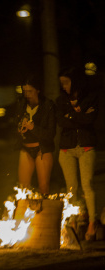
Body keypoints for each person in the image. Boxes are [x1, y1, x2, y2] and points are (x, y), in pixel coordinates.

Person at [56, 67, 98, 241]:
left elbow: (90, 120)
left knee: (87, 185)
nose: (64, 86)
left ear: (75, 82)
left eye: (66, 82)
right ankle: (73, 222)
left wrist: (70, 116)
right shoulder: (60, 101)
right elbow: (61, 121)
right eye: (62, 83)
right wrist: (77, 115)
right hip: (67, 149)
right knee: (71, 188)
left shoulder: (90, 98)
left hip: (86, 147)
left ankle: (92, 223)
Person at [6, 75, 56, 195]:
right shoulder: (21, 103)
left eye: (30, 91)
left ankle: (43, 211)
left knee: (43, 187)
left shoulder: (48, 105)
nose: (27, 94)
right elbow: (14, 123)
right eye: (25, 91)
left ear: (38, 90)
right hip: (26, 148)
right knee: (23, 188)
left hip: (42, 149)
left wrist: (33, 128)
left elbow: (50, 134)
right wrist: (19, 129)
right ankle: (25, 212)